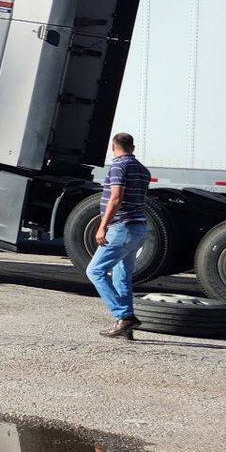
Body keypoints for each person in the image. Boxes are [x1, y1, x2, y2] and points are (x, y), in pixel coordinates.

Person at [89, 132, 151, 340]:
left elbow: (116, 198)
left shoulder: (118, 166)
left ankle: (123, 317)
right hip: (138, 228)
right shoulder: (143, 170)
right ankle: (126, 328)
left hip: (121, 228)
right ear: (132, 148)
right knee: (122, 275)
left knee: (95, 271)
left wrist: (102, 226)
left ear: (112, 147)